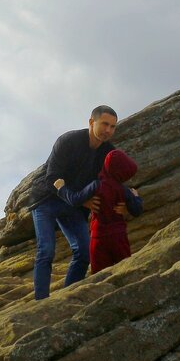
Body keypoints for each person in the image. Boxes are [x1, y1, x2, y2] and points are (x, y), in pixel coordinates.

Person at [28, 105, 118, 300]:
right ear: (91, 122)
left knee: (84, 253)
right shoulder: (68, 141)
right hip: (46, 200)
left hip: (74, 205)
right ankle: (40, 302)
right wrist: (80, 200)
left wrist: (129, 195)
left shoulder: (109, 153)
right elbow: (52, 178)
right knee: (46, 250)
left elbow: (113, 180)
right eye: (104, 124)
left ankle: (67, 297)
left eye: (112, 126)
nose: (108, 130)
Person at [54, 149, 143, 273]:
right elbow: (137, 210)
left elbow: (75, 199)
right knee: (125, 271)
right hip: (119, 236)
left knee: (99, 276)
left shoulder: (97, 185)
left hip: (99, 237)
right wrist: (136, 197)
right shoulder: (123, 190)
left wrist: (62, 188)